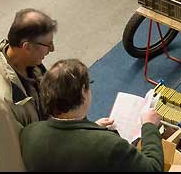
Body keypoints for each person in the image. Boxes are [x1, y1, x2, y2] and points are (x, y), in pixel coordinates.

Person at [20, 59, 163, 172]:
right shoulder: (110, 146)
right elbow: (153, 168)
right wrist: (149, 126)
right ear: (83, 92)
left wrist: (91, 129)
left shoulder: (29, 133)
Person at [0, 9, 56, 172]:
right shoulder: (0, 105)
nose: (52, 49)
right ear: (26, 47)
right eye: (48, 45)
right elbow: (6, 165)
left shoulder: (16, 60)